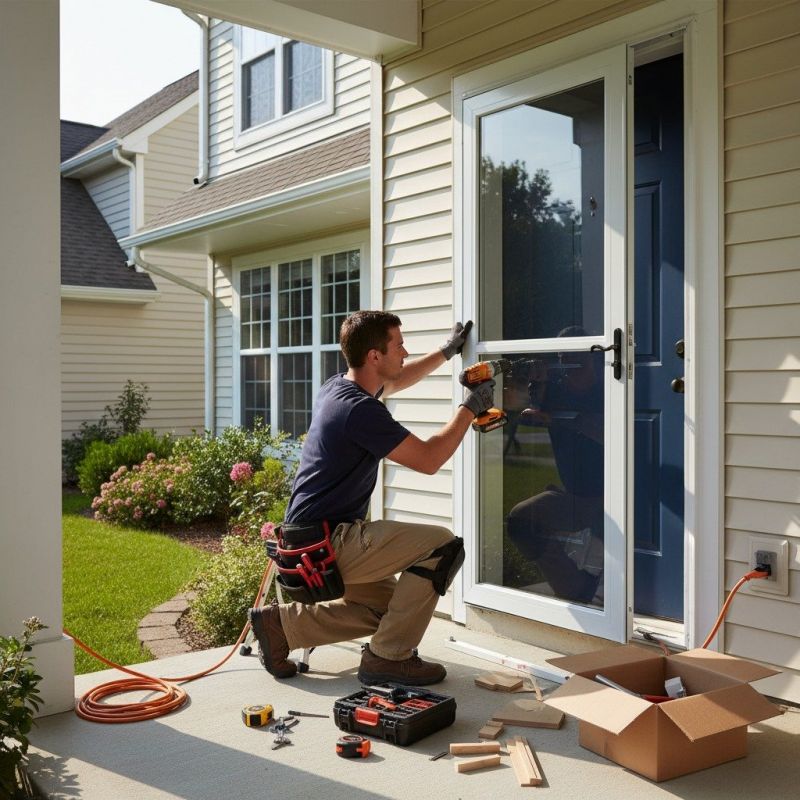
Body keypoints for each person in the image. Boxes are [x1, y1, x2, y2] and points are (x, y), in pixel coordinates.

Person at [248, 310, 494, 685]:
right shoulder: (359, 411)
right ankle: (388, 659)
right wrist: (470, 407)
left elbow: (397, 380)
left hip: (311, 539)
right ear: (375, 357)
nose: (405, 352)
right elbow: (429, 459)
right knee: (443, 546)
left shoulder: (339, 387)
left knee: (391, 613)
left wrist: (446, 352)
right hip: (326, 544)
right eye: (399, 345)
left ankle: (280, 627)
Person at [506, 327, 604, 603]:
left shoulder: (609, 389)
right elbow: (522, 405)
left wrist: (557, 419)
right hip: (574, 495)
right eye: (562, 359)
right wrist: (539, 380)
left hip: (610, 499)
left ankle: (588, 590)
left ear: (593, 359)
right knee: (521, 521)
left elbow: (605, 430)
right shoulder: (557, 389)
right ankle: (576, 588)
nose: (568, 366)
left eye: (575, 359)